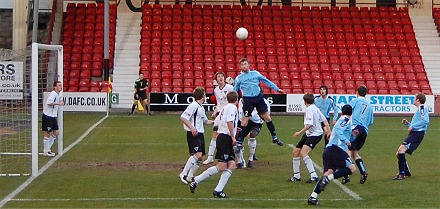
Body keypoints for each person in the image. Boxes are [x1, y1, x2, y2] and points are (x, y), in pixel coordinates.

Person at [189, 91, 239, 198]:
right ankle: (196, 180)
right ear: (237, 99)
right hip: (226, 138)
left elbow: (216, 123)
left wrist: (232, 129)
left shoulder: (224, 108)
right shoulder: (232, 108)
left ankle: (218, 190)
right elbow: (229, 122)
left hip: (223, 137)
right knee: (222, 166)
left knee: (232, 165)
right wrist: (233, 135)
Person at [307, 105, 358, 205]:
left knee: (329, 172)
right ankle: (329, 179)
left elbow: (345, 134)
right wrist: (346, 140)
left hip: (329, 150)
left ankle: (313, 197)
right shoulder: (345, 119)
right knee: (352, 169)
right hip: (336, 150)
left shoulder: (345, 121)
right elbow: (338, 129)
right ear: (351, 113)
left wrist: (353, 136)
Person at [233, 58, 285, 149]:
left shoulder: (255, 73)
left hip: (258, 98)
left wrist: (276, 89)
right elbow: (235, 91)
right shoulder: (238, 78)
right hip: (248, 100)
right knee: (244, 121)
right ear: (240, 66)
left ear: (248, 65)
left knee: (267, 117)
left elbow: (266, 81)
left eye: (245, 64)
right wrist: (234, 102)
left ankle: (274, 137)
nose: (244, 66)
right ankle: (240, 142)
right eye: (242, 65)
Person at [289, 93, 330, 183]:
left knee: (304, 153)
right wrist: (328, 130)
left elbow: (310, 125)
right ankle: (296, 176)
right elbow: (325, 120)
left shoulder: (310, 110)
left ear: (305, 101)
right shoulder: (315, 108)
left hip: (315, 135)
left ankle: (313, 175)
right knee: (296, 152)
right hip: (309, 134)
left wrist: (299, 132)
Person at [179, 87, 213, 184]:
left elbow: (206, 121)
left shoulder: (201, 107)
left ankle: (190, 177)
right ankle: (183, 174)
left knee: (200, 157)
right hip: (193, 134)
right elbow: (183, 117)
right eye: (205, 94)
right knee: (197, 155)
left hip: (200, 134)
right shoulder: (193, 105)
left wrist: (216, 121)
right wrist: (192, 128)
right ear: (203, 96)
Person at [393, 93, 430, 180]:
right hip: (415, 133)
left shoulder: (422, 107)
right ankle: (406, 172)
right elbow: (419, 123)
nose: (413, 100)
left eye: (414, 98)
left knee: (401, 150)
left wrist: (412, 126)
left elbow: (425, 120)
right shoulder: (419, 109)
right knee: (398, 154)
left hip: (417, 134)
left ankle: (402, 174)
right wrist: (408, 124)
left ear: (418, 100)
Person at [344, 85, 374, 184]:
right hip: (364, 131)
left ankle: (346, 175)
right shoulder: (369, 105)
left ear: (357, 92)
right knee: (354, 153)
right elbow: (370, 121)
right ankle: (363, 172)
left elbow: (346, 111)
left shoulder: (355, 101)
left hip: (355, 129)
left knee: (347, 151)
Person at [203, 72, 234, 165]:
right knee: (215, 134)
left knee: (231, 135)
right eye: (218, 77)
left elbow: (234, 100)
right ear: (216, 79)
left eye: (222, 76)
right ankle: (210, 157)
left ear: (224, 78)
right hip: (220, 114)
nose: (220, 78)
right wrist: (215, 111)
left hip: (228, 113)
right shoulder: (216, 90)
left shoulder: (230, 88)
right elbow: (219, 104)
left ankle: (239, 159)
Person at [235, 96, 267, 168]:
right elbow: (239, 111)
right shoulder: (241, 100)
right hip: (242, 121)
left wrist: (261, 120)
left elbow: (266, 114)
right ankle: (240, 161)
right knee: (237, 138)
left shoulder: (264, 102)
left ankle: (251, 159)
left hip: (255, 122)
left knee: (252, 135)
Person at [42, 81, 64, 157]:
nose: (60, 87)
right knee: (48, 134)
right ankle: (46, 151)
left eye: (61, 85)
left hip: (53, 116)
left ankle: (48, 149)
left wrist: (60, 101)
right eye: (59, 85)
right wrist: (59, 103)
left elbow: (59, 100)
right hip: (48, 116)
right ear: (55, 87)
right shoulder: (53, 94)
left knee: (56, 133)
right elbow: (49, 102)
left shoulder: (58, 94)